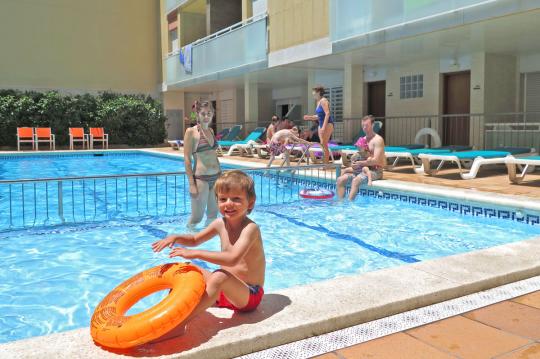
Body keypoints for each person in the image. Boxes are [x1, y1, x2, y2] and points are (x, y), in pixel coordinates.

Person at [151, 170, 265, 341]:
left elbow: (232, 258)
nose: (229, 204)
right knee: (185, 270)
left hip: (248, 295)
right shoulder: (220, 224)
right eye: (223, 199)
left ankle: (179, 324)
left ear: (250, 203)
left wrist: (195, 253)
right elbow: (195, 239)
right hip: (224, 293)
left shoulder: (251, 229)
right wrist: (176, 237)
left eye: (236, 199)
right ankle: (167, 315)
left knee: (219, 276)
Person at [183, 100, 221, 227]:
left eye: (209, 113)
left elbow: (213, 155)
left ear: (213, 114)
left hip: (216, 178)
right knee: (196, 219)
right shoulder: (191, 132)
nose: (206, 117)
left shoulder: (211, 131)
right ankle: (187, 242)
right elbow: (187, 159)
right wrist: (191, 184)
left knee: (212, 216)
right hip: (201, 180)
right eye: (203, 113)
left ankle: (207, 243)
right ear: (198, 114)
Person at [336, 115, 385, 200]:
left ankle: (349, 204)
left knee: (356, 181)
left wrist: (360, 163)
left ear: (373, 125)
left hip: (375, 171)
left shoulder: (378, 140)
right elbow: (357, 157)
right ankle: (341, 204)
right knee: (340, 180)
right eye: (363, 126)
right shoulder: (362, 140)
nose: (364, 128)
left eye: (367, 125)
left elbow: (376, 161)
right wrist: (353, 164)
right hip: (360, 170)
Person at [303, 86, 334, 165]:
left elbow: (327, 113)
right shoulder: (318, 102)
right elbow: (318, 116)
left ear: (319, 92)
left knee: (324, 144)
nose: (313, 94)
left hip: (327, 124)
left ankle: (326, 165)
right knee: (322, 145)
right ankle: (325, 164)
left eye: (314, 92)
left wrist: (323, 126)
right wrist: (309, 117)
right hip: (321, 125)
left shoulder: (323, 100)